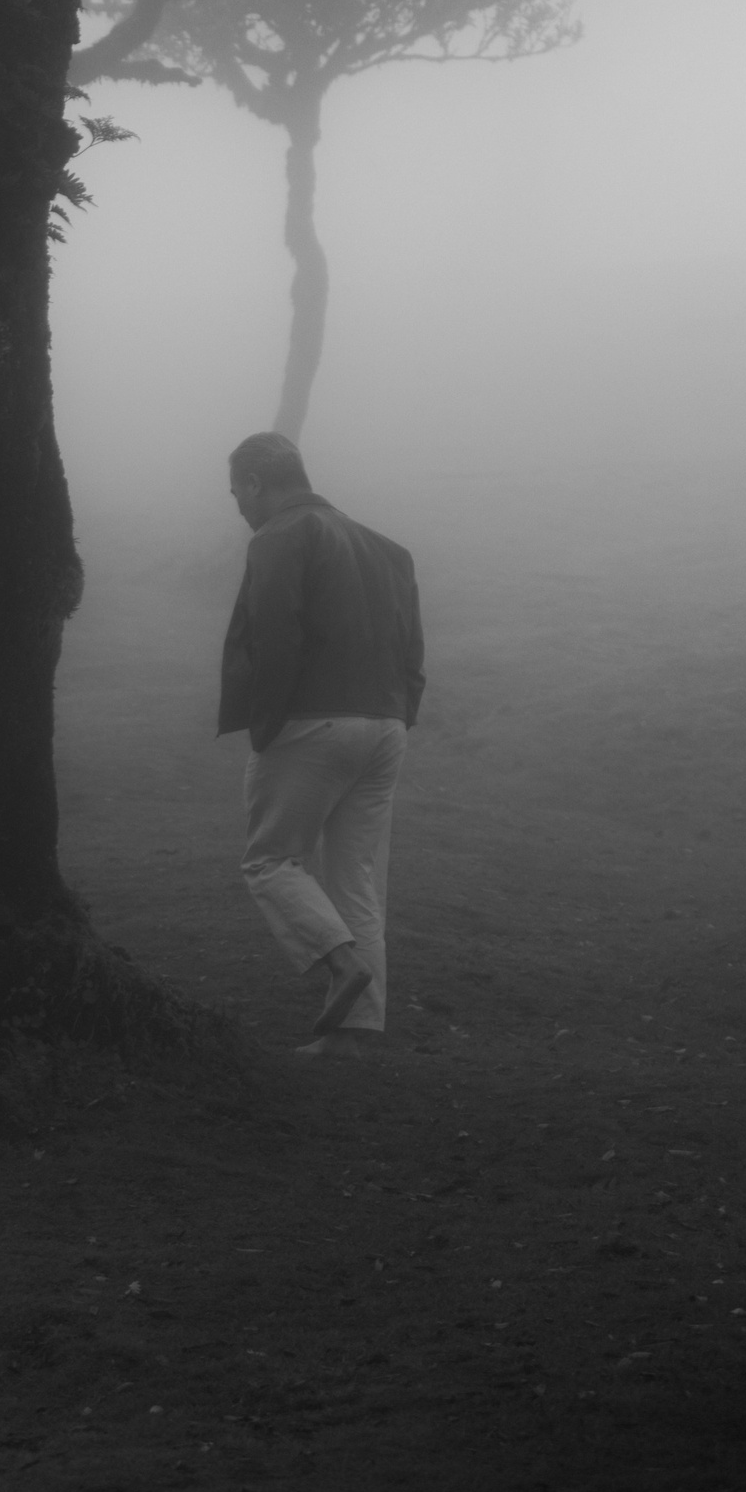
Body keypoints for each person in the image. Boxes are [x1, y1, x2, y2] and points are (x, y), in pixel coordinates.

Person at [218, 433, 424, 1056]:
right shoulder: (387, 549)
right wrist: (400, 713)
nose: (237, 506)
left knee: (270, 861)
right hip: (385, 727)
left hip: (314, 723)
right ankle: (355, 1034)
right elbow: (412, 650)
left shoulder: (280, 535)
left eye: (236, 492)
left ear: (256, 482)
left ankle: (339, 961)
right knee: (355, 880)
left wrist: (265, 723)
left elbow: (275, 635)